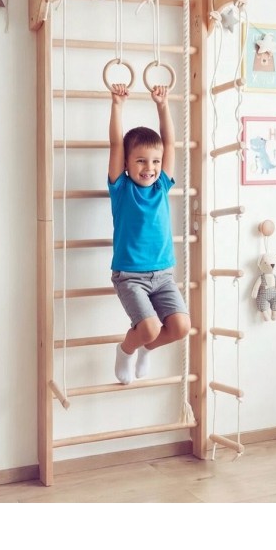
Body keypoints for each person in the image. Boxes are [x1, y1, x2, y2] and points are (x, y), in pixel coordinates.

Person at [108, 82, 190, 385]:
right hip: (130, 276)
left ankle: (146, 348)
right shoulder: (121, 188)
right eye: (140, 160)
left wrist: (163, 105)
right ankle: (126, 350)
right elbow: (116, 144)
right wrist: (117, 106)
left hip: (163, 274)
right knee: (149, 327)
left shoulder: (161, 186)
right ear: (127, 164)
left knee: (180, 327)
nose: (149, 167)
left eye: (154, 161)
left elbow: (169, 143)